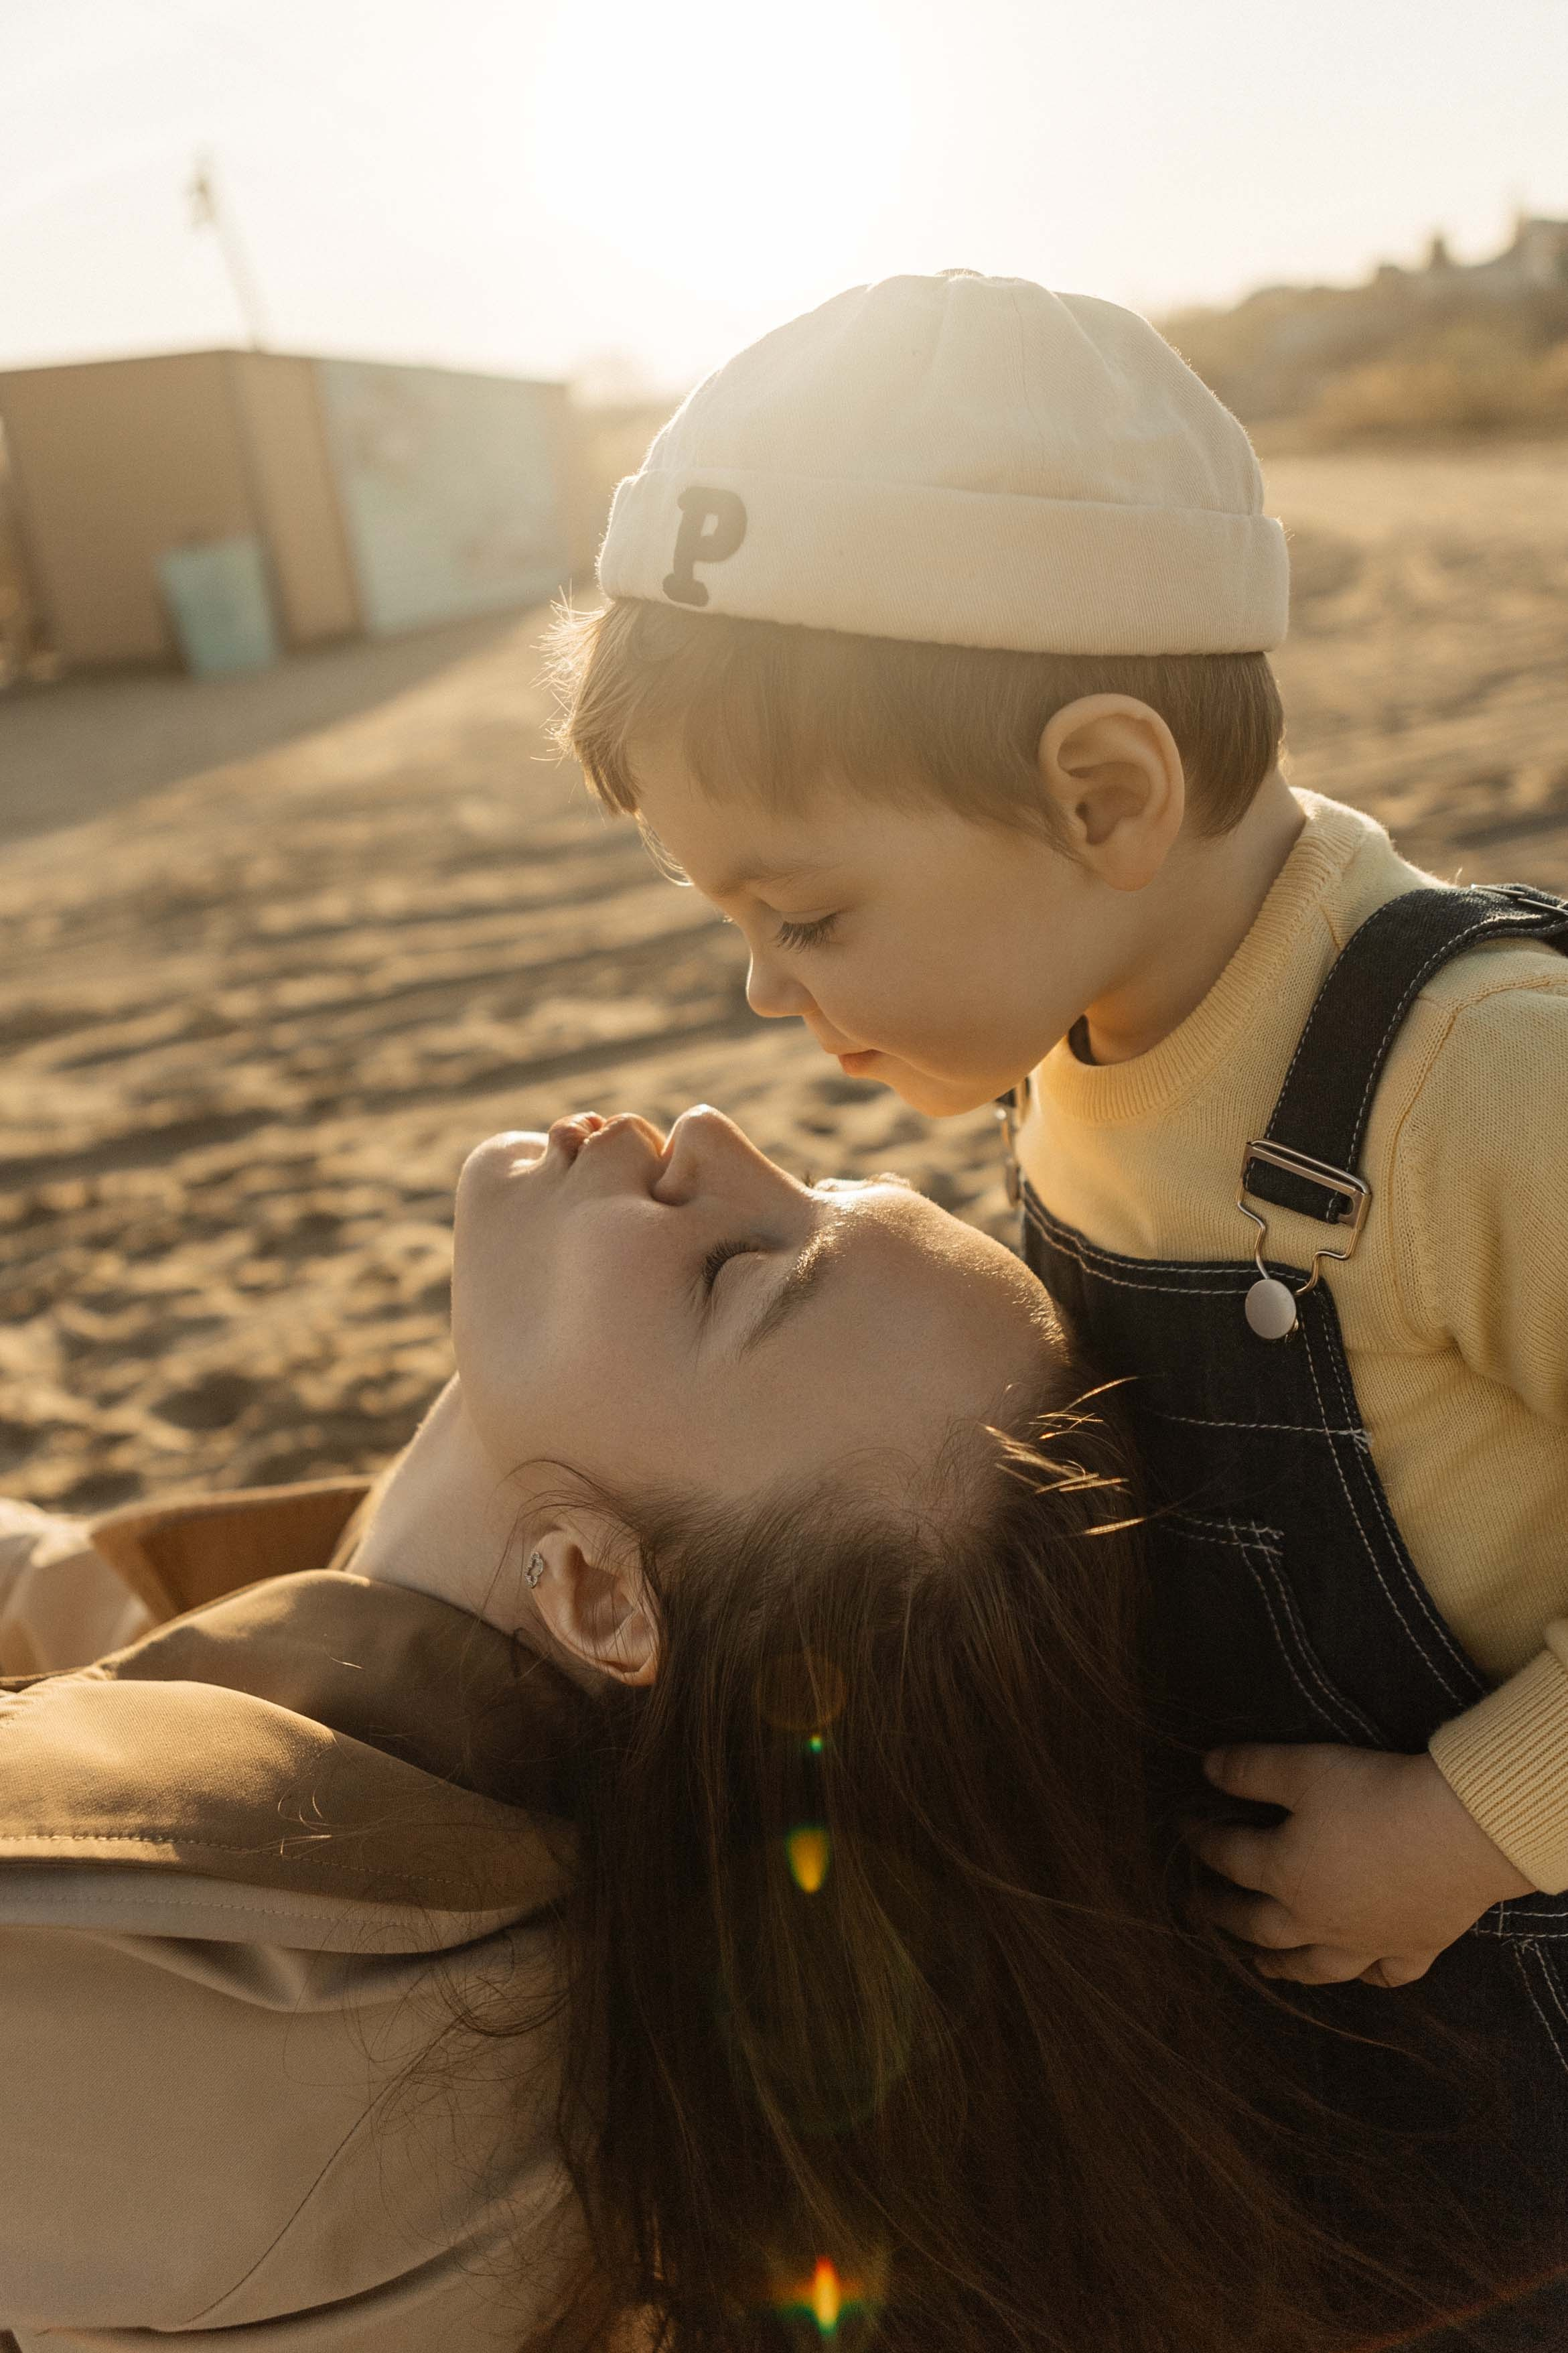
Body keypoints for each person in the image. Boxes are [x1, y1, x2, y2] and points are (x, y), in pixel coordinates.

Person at [552, 271, 1568, 2330]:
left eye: (804, 910)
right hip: (1333, 2037)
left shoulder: (1473, 1083)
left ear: (1103, 797)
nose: (758, 984)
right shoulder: (1087, 1026)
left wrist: (1468, 1823)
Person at [0, 1106, 1370, 2353]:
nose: (714, 1136)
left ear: (600, 1597)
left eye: (734, 1274)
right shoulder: (457, 1721)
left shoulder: (233, 1969)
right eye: (823, 1181)